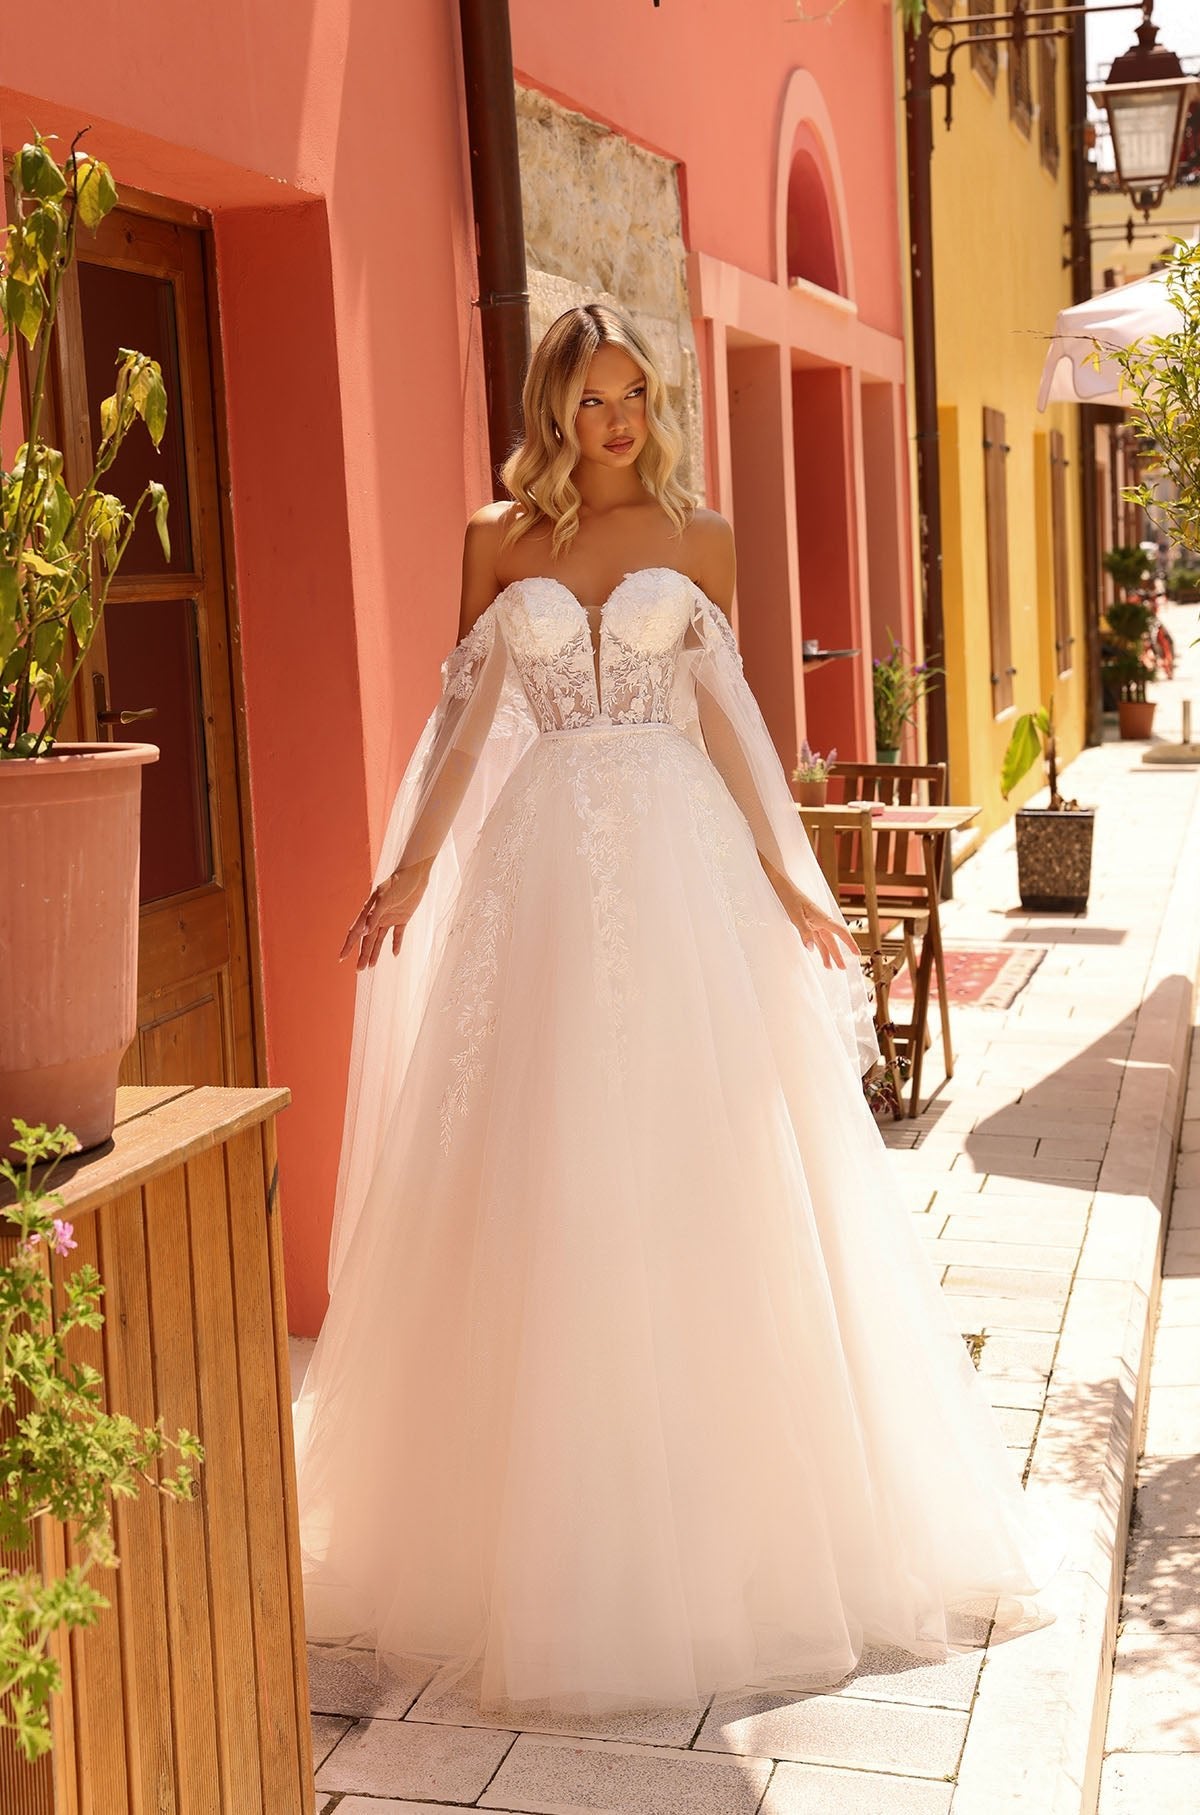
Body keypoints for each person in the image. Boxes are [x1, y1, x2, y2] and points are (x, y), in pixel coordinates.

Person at [293, 302, 1058, 1720]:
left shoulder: (700, 541)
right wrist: (407, 875)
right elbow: (465, 723)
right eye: (593, 401)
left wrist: (788, 871)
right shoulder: (493, 543)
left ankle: (727, 1522)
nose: (621, 421)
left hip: (679, 870)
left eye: (637, 394)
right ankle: (530, 1524)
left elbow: (730, 719)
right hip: (539, 881)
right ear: (551, 412)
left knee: (697, 1170)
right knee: (542, 1167)